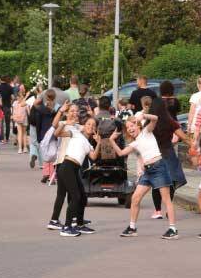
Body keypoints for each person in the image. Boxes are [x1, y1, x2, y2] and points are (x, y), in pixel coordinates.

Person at [109, 115, 179, 240]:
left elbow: (155, 119)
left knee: (166, 199)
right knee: (135, 198)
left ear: (138, 125)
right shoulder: (135, 143)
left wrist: (144, 115)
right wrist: (111, 140)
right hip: (147, 172)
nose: (130, 129)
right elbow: (121, 153)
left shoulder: (147, 131)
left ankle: (173, 229)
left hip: (158, 167)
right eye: (128, 127)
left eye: (132, 125)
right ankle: (132, 227)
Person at [48, 108, 101, 236]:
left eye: (93, 125)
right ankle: (67, 227)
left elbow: (93, 157)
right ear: (84, 125)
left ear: (95, 129)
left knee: (82, 196)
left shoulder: (89, 144)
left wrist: (99, 143)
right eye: (88, 124)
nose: (90, 126)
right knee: (75, 196)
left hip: (74, 168)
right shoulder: (75, 132)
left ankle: (79, 224)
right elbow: (57, 134)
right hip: (67, 166)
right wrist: (65, 123)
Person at [148, 95, 190, 224]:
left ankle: (157, 210)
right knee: (171, 181)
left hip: (154, 154)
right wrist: (193, 144)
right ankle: (168, 207)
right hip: (168, 152)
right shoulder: (170, 121)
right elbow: (183, 137)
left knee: (156, 182)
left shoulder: (149, 123)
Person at [33, 89, 58, 183]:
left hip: (44, 133)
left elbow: (38, 123)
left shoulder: (40, 109)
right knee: (52, 155)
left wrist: (38, 136)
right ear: (54, 97)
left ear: (45, 97)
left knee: (45, 154)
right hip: (54, 133)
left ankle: (46, 173)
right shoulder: (56, 108)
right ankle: (52, 175)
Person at [0, 76, 14, 143]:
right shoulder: (10, 87)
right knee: (7, 123)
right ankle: (7, 138)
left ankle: (1, 138)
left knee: (0, 123)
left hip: (0, 107)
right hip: (7, 106)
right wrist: (10, 103)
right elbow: (12, 97)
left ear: (0, 80)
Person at [12, 88, 29, 154]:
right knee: (24, 133)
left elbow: (13, 111)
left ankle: (20, 148)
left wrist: (13, 117)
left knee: (19, 133)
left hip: (17, 118)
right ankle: (25, 148)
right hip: (24, 118)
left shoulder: (15, 102)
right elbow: (28, 111)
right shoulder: (25, 102)